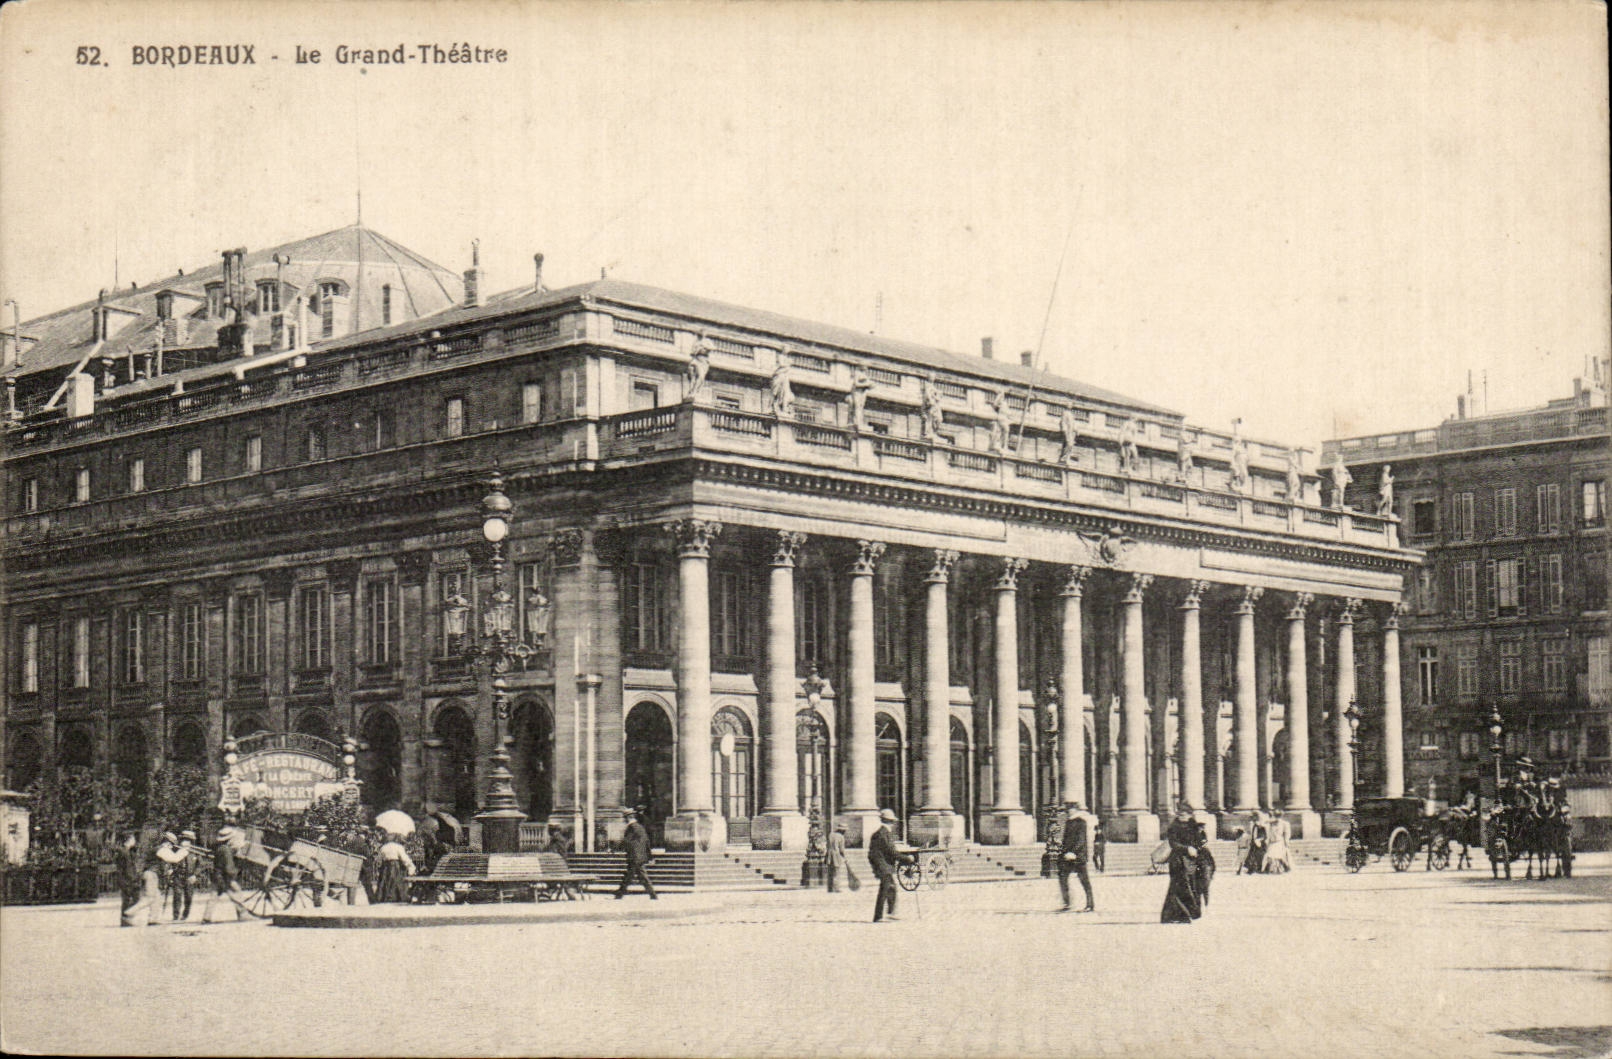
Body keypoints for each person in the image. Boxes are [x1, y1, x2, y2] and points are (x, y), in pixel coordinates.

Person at [867, 808, 912, 923]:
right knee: (884, 890)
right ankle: (878, 916)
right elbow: (891, 852)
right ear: (890, 822)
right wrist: (907, 858)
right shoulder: (883, 834)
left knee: (891, 888)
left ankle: (891, 913)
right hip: (883, 866)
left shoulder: (880, 833)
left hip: (883, 865)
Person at [1161, 806, 1204, 924]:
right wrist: (1186, 849)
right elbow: (1173, 843)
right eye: (1180, 814)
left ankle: (1171, 915)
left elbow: (1200, 841)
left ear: (1190, 815)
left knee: (1185, 887)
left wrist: (1198, 846)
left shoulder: (1194, 826)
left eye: (1184, 814)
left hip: (1191, 861)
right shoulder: (1174, 827)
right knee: (1180, 886)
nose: (1181, 816)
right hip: (1178, 860)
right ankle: (1182, 915)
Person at [202, 826, 246, 923]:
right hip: (225, 877)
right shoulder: (226, 850)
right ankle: (242, 915)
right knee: (237, 893)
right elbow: (229, 867)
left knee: (213, 896)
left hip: (217, 876)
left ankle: (206, 917)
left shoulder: (220, 848)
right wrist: (236, 872)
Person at [614, 808, 657, 900]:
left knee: (636, 877)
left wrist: (614, 849)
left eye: (625, 818)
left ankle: (653, 895)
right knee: (631, 877)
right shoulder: (640, 827)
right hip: (639, 857)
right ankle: (619, 894)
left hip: (634, 857)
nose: (624, 820)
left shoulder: (631, 827)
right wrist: (649, 856)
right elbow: (647, 842)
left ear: (628, 817)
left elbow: (626, 841)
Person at [1057, 811, 1094, 913]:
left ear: (1075, 809)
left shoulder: (1081, 822)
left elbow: (1081, 840)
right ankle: (1067, 903)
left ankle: (1090, 904)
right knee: (1062, 877)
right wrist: (1064, 852)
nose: (1068, 811)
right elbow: (1066, 840)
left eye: (1070, 808)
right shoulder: (1069, 822)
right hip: (1067, 856)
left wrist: (1073, 852)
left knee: (1084, 881)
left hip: (1078, 856)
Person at [375, 835, 416, 903]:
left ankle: (384, 897)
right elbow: (404, 858)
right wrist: (410, 865)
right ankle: (398, 896)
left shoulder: (383, 847)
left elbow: (379, 859)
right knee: (397, 880)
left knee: (385, 881)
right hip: (395, 865)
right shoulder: (398, 847)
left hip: (385, 866)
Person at [827, 822, 859, 893]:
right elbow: (841, 850)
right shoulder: (841, 837)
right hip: (836, 856)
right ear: (842, 830)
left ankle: (829, 888)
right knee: (836, 872)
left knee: (830, 872)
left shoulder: (831, 835)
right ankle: (836, 888)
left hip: (829, 855)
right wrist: (844, 857)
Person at [1192, 817, 1216, 907]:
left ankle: (1206, 904)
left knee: (1205, 888)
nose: (1202, 829)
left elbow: (1212, 862)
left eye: (1203, 827)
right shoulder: (1194, 834)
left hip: (1204, 865)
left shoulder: (1203, 835)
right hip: (1197, 861)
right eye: (1201, 827)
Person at [1265, 809, 1292, 873]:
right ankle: (1274, 869)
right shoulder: (1271, 823)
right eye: (1276, 815)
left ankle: (1283, 868)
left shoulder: (1284, 823)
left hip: (1279, 842)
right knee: (1270, 856)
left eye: (1278, 816)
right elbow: (1267, 828)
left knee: (1279, 856)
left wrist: (1286, 842)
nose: (1277, 817)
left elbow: (1287, 833)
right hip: (1272, 842)